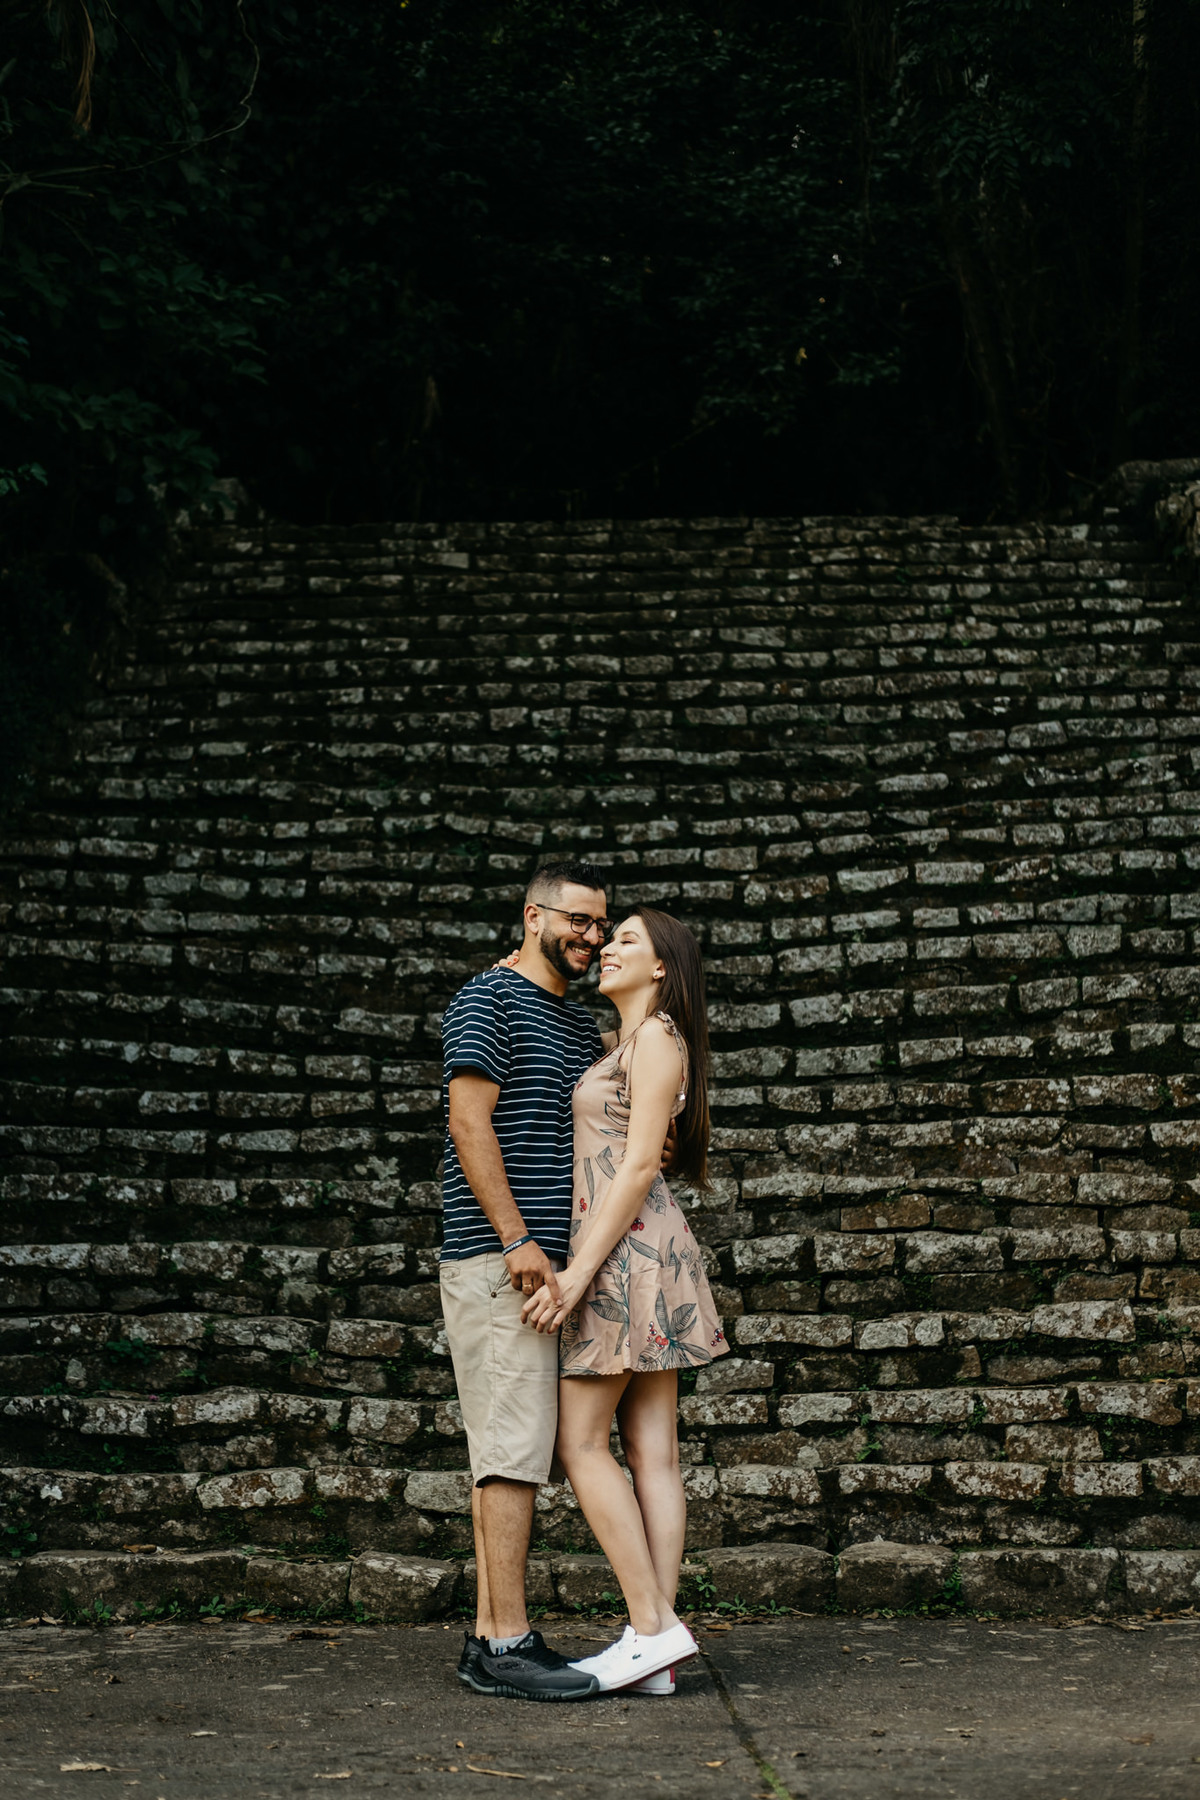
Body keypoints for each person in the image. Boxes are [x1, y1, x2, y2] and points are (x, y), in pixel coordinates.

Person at [522, 906, 729, 1697]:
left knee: (580, 1445)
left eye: (627, 941)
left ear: (665, 967)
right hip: (644, 1250)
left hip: (624, 1256)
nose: (607, 948)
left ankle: (651, 1628)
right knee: (652, 1454)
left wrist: (576, 1275)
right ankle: (659, 1656)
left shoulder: (656, 1040)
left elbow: (641, 1164)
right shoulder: (630, 1043)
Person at [440, 858, 612, 1702]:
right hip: (501, 1257)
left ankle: (487, 1640)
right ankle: (507, 1644)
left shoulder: (578, 1026)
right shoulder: (490, 998)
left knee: (514, 1447)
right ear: (532, 914)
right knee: (510, 1451)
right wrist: (515, 1239)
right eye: (575, 920)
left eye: (598, 926)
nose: (588, 936)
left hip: (554, 1268)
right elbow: (468, 1119)